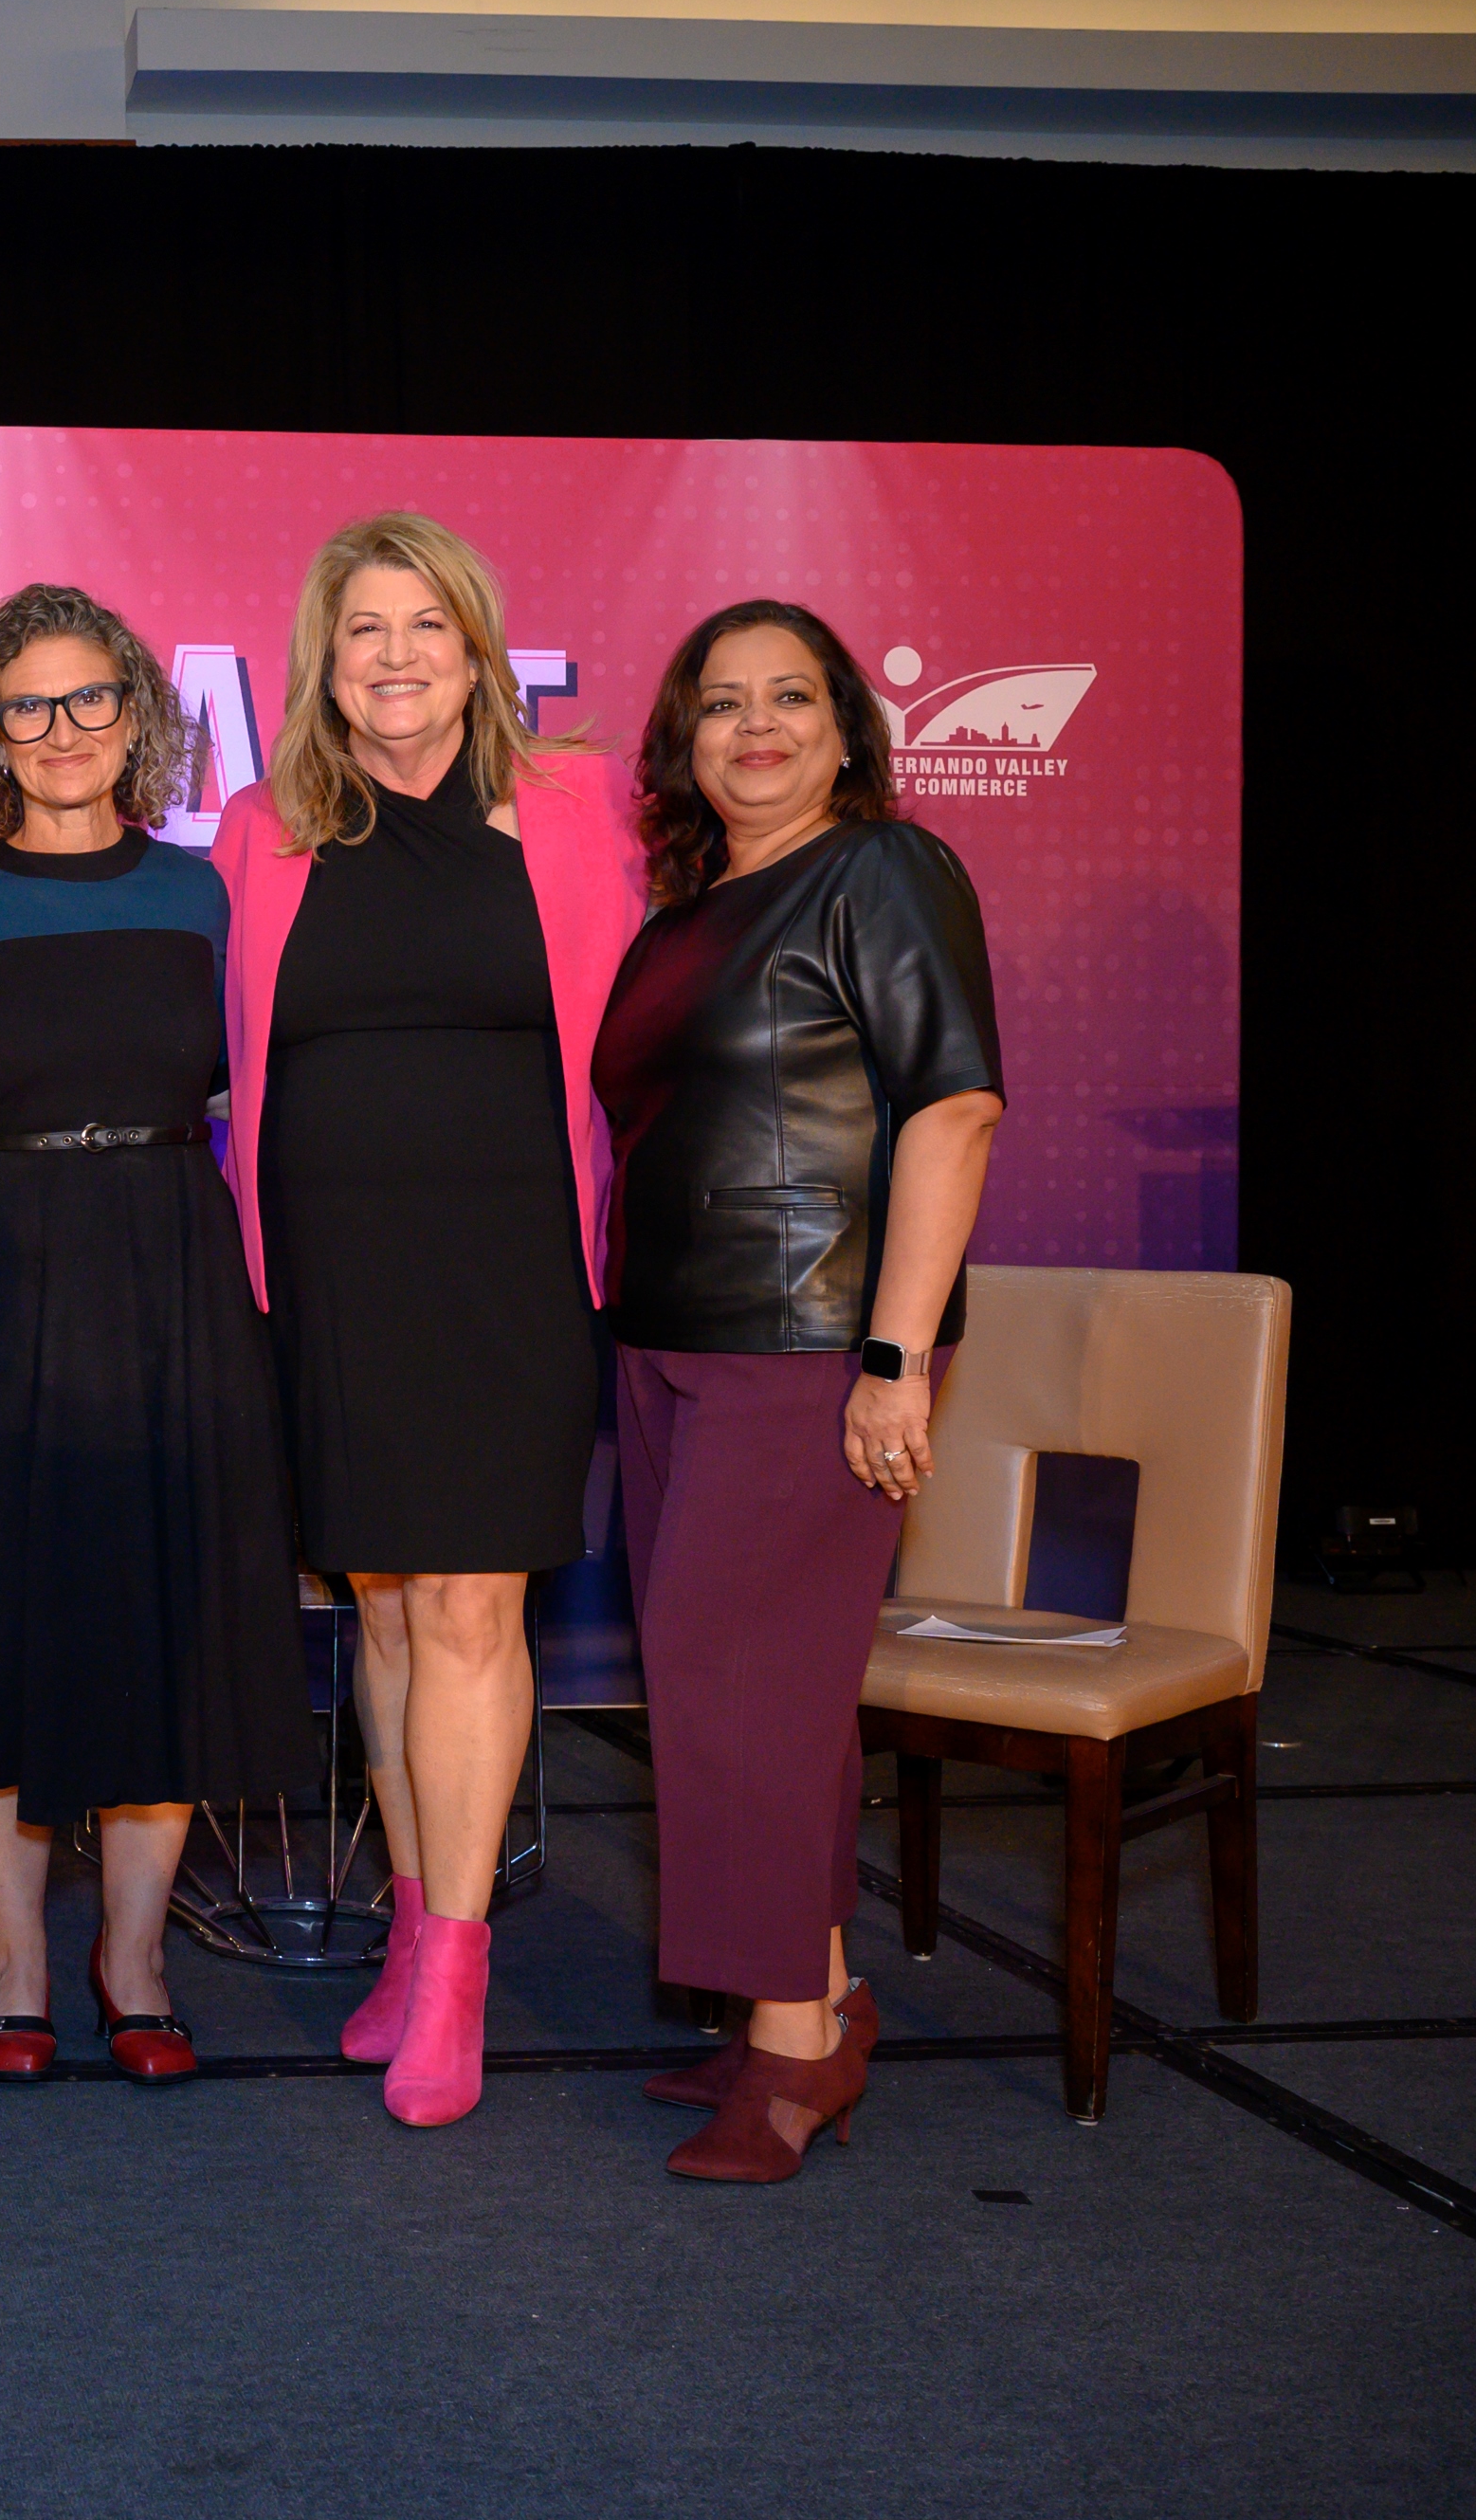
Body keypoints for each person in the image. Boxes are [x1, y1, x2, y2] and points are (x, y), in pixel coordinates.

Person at [0, 584, 313, 2087]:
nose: (60, 731)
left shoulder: (203, 894)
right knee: (0, 1616)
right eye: (26, 706)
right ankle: (16, 1953)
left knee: (162, 1616)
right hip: (1, 1280)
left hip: (176, 1268)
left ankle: (135, 1955)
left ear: (138, 714)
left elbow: (269, 1095)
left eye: (89, 699)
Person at [217, 512, 646, 2128]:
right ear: (324, 661)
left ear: (480, 649)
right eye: (363, 629)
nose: (394, 656)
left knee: (471, 1609)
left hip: (517, 1267)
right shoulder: (264, 828)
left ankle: (459, 1969)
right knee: (386, 1617)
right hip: (334, 1274)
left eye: (426, 626)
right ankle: (411, 1931)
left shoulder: (585, 805)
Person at [592, 600, 1002, 2183]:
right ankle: (813, 1993)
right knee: (762, 1689)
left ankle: (790, 2058)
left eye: (788, 697)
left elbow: (952, 1112)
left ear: (846, 725)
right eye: (719, 704)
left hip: (815, 1342)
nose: (753, 726)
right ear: (683, 743)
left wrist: (894, 1357)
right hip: (668, 1344)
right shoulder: (690, 911)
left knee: (732, 1683)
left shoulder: (884, 870)